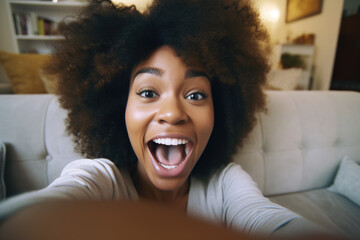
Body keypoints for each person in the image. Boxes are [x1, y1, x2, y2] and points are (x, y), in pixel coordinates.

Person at [0, 0, 331, 237]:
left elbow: (267, 220)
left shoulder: (225, 184)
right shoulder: (100, 177)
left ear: (222, 111)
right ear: (119, 109)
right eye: (147, 93)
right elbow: (39, 215)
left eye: (196, 94)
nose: (173, 113)